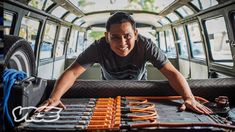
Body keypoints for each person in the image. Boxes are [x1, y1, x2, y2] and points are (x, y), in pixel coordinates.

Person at [38, 11, 212, 114]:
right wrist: (54, 98)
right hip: (108, 91)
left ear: (135, 34)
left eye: (128, 36)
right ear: (107, 37)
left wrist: (188, 98)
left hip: (140, 91)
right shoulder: (98, 46)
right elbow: (73, 71)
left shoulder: (146, 45)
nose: (122, 43)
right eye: (115, 37)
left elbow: (171, 72)